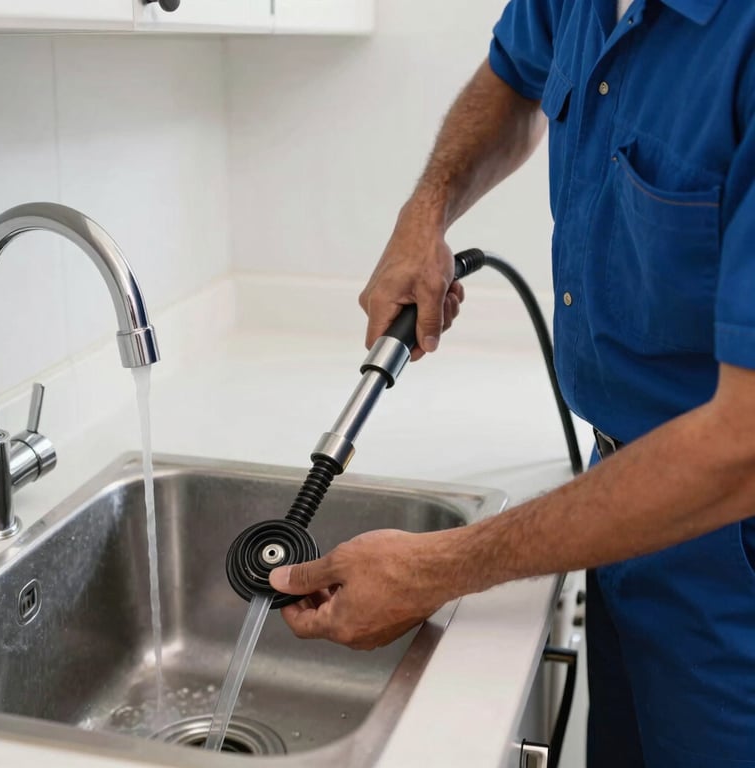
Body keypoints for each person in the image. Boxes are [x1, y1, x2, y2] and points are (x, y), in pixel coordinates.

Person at [269, 2, 755, 766]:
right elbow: (513, 80)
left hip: (731, 552)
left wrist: (432, 570)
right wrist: (425, 213)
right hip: (622, 502)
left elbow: (743, 447)